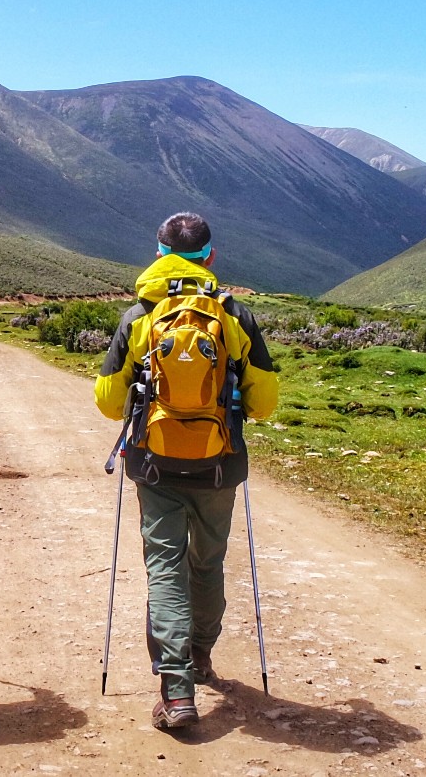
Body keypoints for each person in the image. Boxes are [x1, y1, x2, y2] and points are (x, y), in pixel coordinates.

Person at [95, 211, 278, 731]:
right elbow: (264, 403)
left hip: (155, 465)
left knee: (165, 569)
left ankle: (176, 693)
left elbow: (110, 403)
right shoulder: (235, 315)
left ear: (158, 253)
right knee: (208, 561)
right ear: (211, 257)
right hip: (220, 464)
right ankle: (200, 655)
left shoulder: (139, 315)